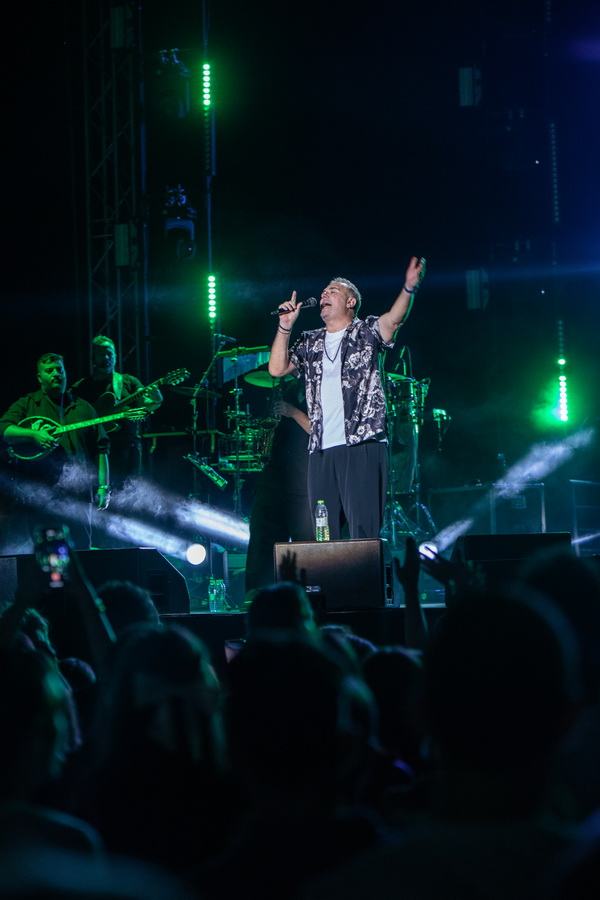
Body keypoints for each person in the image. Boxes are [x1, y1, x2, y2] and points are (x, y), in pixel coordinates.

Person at [268, 257, 426, 540]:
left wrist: (409, 288)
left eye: (333, 291)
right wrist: (285, 326)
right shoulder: (310, 341)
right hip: (321, 448)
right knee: (323, 533)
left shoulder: (366, 331)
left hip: (362, 442)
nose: (324, 295)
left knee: (363, 531)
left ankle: (368, 570)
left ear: (350, 302)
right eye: (323, 292)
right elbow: (277, 369)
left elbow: (394, 320)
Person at [0, 353, 110, 552]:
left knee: (81, 551)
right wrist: (33, 434)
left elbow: (101, 450)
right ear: (39, 377)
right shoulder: (27, 403)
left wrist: (104, 486)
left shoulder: (84, 408)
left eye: (60, 370)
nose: (56, 374)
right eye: (49, 371)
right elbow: (4, 430)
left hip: (79, 495)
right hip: (41, 495)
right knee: (46, 550)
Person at [244, 379, 313, 599]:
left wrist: (293, 412)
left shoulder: (324, 385)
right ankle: (258, 592)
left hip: (306, 474)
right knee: (262, 533)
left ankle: (308, 593)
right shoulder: (286, 388)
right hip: (275, 472)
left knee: (306, 539)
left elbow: (324, 432)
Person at [70, 335, 163, 490]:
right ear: (93, 359)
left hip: (127, 450)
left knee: (129, 494)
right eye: (101, 354)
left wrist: (156, 400)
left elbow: (146, 404)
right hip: (95, 452)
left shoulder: (129, 381)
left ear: (116, 357)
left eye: (110, 353)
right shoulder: (81, 387)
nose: (106, 357)